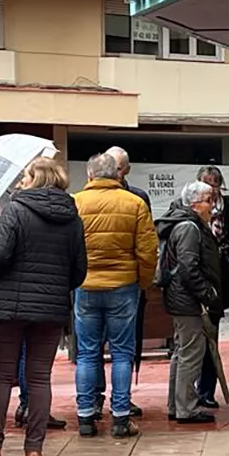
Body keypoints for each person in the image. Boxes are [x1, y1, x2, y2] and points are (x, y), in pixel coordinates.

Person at [0, 157, 86, 456]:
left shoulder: (16, 209)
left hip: (11, 306)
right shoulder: (72, 217)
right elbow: (79, 271)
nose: (21, 182)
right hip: (52, 308)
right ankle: (34, 450)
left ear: (35, 179)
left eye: (25, 176)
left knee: (1, 376)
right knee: (39, 377)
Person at [73, 153, 157, 439]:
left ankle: (86, 415)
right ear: (118, 175)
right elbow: (148, 250)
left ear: (90, 176)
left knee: (87, 353)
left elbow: (69, 248)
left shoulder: (76, 203)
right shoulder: (134, 204)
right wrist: (142, 281)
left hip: (85, 286)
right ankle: (120, 416)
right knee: (122, 353)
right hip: (123, 285)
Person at [158, 182, 222, 425]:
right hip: (188, 300)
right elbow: (188, 267)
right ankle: (186, 407)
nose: (212, 205)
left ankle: (177, 404)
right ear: (194, 204)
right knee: (191, 353)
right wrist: (206, 293)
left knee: (182, 352)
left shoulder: (185, 224)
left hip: (181, 298)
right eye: (207, 200)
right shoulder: (189, 227)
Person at [103, 145, 148, 420]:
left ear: (126, 169)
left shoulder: (137, 198)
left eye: (118, 167)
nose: (115, 173)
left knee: (123, 348)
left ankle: (120, 400)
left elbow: (146, 244)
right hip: (115, 283)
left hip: (123, 283)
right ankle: (99, 401)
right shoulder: (85, 198)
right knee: (100, 350)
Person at [193, 165, 229, 409]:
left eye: (215, 183)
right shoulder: (192, 209)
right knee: (192, 340)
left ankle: (207, 390)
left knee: (212, 336)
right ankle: (190, 390)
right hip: (197, 280)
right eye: (208, 183)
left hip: (217, 279)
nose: (212, 188)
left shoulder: (224, 208)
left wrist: (218, 253)